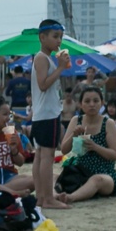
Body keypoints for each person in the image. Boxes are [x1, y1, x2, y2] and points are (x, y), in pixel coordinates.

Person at [29, 19, 71, 209]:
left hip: (42, 114)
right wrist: (61, 68)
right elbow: (43, 84)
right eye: (55, 37)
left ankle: (40, 197)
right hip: (47, 114)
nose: (58, 41)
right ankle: (47, 198)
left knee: (40, 156)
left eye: (60, 37)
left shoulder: (43, 58)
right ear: (42, 37)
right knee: (46, 156)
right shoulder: (41, 58)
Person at [58, 84, 116, 202]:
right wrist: (74, 135)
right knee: (53, 177)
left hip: (104, 173)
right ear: (81, 104)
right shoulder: (76, 120)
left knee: (96, 180)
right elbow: (64, 150)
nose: (92, 104)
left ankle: (71, 197)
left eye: (96, 101)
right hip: (79, 172)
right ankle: (55, 196)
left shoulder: (108, 123)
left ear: (102, 103)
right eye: (87, 101)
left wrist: (95, 147)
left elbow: (115, 155)